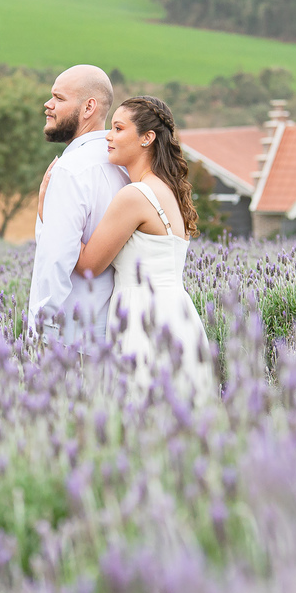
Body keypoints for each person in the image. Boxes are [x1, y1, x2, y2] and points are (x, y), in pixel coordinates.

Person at [66, 95, 215, 395]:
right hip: (178, 312)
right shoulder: (168, 190)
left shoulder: (135, 195)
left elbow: (87, 266)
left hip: (142, 316)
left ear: (147, 138)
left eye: (119, 128)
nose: (108, 135)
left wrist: (53, 213)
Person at [27, 65, 130, 344]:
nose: (47, 105)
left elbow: (57, 259)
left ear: (88, 108)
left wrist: (43, 331)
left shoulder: (71, 170)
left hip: (68, 340)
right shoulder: (124, 167)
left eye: (59, 98)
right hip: (108, 335)